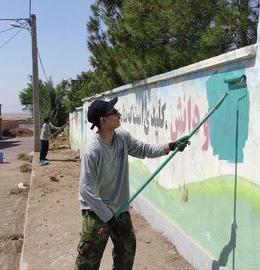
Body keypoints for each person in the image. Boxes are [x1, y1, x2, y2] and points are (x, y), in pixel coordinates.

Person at [75, 97, 190, 270]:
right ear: (103, 120)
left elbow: (144, 149)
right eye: (114, 112)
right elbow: (86, 189)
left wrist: (171, 146)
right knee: (89, 258)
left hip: (120, 209)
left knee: (127, 248)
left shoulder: (122, 137)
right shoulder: (93, 149)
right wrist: (107, 216)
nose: (119, 114)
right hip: (96, 211)